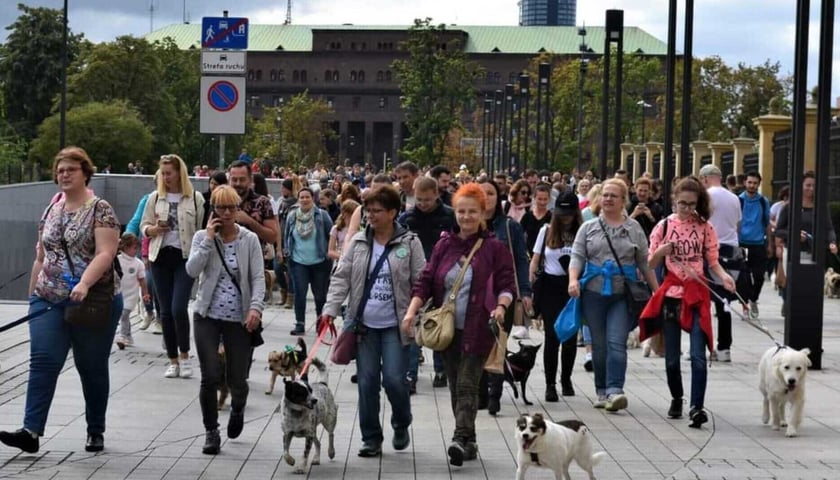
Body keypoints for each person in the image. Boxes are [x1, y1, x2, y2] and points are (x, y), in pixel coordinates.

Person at [0, 146, 121, 453]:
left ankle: (96, 428)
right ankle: (31, 431)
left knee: (90, 366)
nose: (64, 175)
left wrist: (84, 282)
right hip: (48, 297)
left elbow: (106, 252)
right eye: (60, 170)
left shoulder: (100, 208)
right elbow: (41, 255)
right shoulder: (51, 208)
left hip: (92, 299)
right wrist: (32, 297)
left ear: (85, 173)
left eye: (71, 169)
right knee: (43, 360)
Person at [402, 183, 515, 467]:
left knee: (467, 384)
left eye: (472, 212)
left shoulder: (494, 248)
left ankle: (459, 438)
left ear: (483, 213)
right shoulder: (444, 245)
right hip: (448, 330)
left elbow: (506, 284)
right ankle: (470, 441)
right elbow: (426, 280)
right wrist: (411, 312)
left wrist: (501, 307)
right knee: (455, 387)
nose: (466, 217)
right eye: (461, 211)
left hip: (479, 328)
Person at [322, 185, 425, 458]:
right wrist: (330, 309)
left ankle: (401, 422)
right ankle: (371, 438)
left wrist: (415, 314)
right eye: (367, 210)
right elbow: (342, 277)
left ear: (393, 212)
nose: (370, 215)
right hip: (364, 325)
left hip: (396, 325)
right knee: (367, 382)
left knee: (393, 379)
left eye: (377, 210)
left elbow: (421, 282)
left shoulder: (410, 243)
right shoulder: (357, 242)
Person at [645, 177, 736, 428]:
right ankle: (677, 397)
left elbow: (713, 262)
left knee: (698, 355)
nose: (685, 209)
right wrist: (662, 251)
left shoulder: (705, 227)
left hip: (697, 295)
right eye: (681, 203)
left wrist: (725, 278)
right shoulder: (663, 227)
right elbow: (650, 263)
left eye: (691, 204)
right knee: (672, 358)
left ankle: (697, 406)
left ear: (699, 203)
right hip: (672, 296)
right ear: (674, 199)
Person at [185, 185, 265, 455]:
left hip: (239, 319)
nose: (227, 213)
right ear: (213, 210)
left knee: (237, 379)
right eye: (221, 208)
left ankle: (238, 408)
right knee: (209, 376)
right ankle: (211, 430)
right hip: (207, 315)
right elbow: (191, 270)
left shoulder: (249, 239)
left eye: (232, 207)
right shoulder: (202, 237)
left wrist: (255, 308)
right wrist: (208, 240)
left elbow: (258, 278)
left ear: (238, 209)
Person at [567, 178, 659, 412]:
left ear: (623, 202)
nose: (608, 199)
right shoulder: (588, 228)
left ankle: (615, 390)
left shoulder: (634, 229)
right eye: (605, 195)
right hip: (593, 293)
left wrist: (657, 291)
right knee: (598, 345)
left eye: (613, 196)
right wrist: (573, 280)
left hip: (622, 293)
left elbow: (644, 263)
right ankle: (601, 390)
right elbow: (577, 256)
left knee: (616, 342)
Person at [141, 154, 205, 378]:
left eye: (169, 173)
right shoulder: (155, 197)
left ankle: (186, 355)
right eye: (163, 174)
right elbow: (144, 225)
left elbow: (200, 230)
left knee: (179, 308)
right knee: (165, 311)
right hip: (160, 256)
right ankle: (173, 359)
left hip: (184, 258)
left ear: (179, 172)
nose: (166, 177)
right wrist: (153, 230)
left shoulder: (195, 198)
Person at [478, 179, 532, 416]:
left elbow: (521, 259)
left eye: (490, 193)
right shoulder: (467, 224)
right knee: (476, 342)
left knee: (498, 342)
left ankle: (495, 393)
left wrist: (525, 291)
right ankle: (479, 391)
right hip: (475, 294)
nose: (485, 198)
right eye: (480, 193)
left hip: (504, 293)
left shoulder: (509, 227)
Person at [398, 177, 456, 392]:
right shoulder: (408, 218)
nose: (423, 204)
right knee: (414, 326)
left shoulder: (450, 216)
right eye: (419, 200)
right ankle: (410, 374)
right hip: (415, 278)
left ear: (437, 195)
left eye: (428, 200)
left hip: (443, 277)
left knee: (439, 323)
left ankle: (441, 369)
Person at [530, 190, 582, 400]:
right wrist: (530, 285)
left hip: (573, 287)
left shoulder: (582, 231)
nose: (566, 218)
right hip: (551, 287)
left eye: (569, 214)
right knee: (552, 337)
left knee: (570, 336)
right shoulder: (547, 231)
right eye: (562, 213)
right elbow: (536, 259)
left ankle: (566, 379)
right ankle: (550, 384)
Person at [774, 171, 838, 314]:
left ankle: (805, 310)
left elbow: (829, 228)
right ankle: (789, 304)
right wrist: (794, 235)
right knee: (792, 282)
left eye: (814, 186)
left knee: (810, 284)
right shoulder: (789, 207)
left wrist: (832, 242)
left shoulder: (821, 207)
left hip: (813, 251)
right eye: (808, 185)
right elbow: (778, 231)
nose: (811, 189)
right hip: (792, 251)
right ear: (800, 186)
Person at [699, 164, 742, 363]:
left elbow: (700, 221)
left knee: (703, 299)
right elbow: (738, 224)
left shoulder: (706, 196)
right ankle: (725, 347)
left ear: (705, 178)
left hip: (710, 248)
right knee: (724, 301)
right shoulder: (734, 198)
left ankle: (700, 344)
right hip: (731, 250)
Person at [283, 187, 333, 335]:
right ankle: (300, 323)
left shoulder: (322, 215)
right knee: (300, 293)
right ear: (298, 199)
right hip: (298, 262)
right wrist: (286, 252)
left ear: (313, 199)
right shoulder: (292, 216)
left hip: (320, 262)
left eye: (307, 197)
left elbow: (331, 234)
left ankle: (321, 323)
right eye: (302, 197)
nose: (304, 200)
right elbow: (287, 236)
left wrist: (330, 252)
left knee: (320, 295)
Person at [125, 174, 163, 334]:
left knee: (162, 287)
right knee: (148, 282)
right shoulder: (148, 200)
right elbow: (136, 221)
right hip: (149, 251)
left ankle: (162, 318)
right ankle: (149, 312)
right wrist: (126, 239)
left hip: (170, 252)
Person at [738, 171, 772, 319]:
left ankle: (753, 299)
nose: (752, 185)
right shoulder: (738, 200)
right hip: (742, 244)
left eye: (755, 183)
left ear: (759, 184)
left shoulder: (763, 202)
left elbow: (767, 224)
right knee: (743, 277)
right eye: (749, 182)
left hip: (758, 244)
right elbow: (735, 222)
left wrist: (770, 243)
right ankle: (744, 304)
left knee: (759, 277)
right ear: (745, 182)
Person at [115, 233, 151, 350]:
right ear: (125, 247)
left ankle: (122, 335)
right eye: (133, 248)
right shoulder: (117, 260)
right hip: (119, 292)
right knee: (123, 315)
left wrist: (145, 293)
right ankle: (129, 336)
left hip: (132, 295)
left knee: (124, 314)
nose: (136, 250)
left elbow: (142, 280)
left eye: (137, 248)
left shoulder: (138, 264)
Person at [520, 183, 552, 252]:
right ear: (534, 198)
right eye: (539, 199)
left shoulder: (552, 217)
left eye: (545, 199)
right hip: (528, 254)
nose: (542, 202)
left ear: (549, 199)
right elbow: (520, 235)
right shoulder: (527, 216)